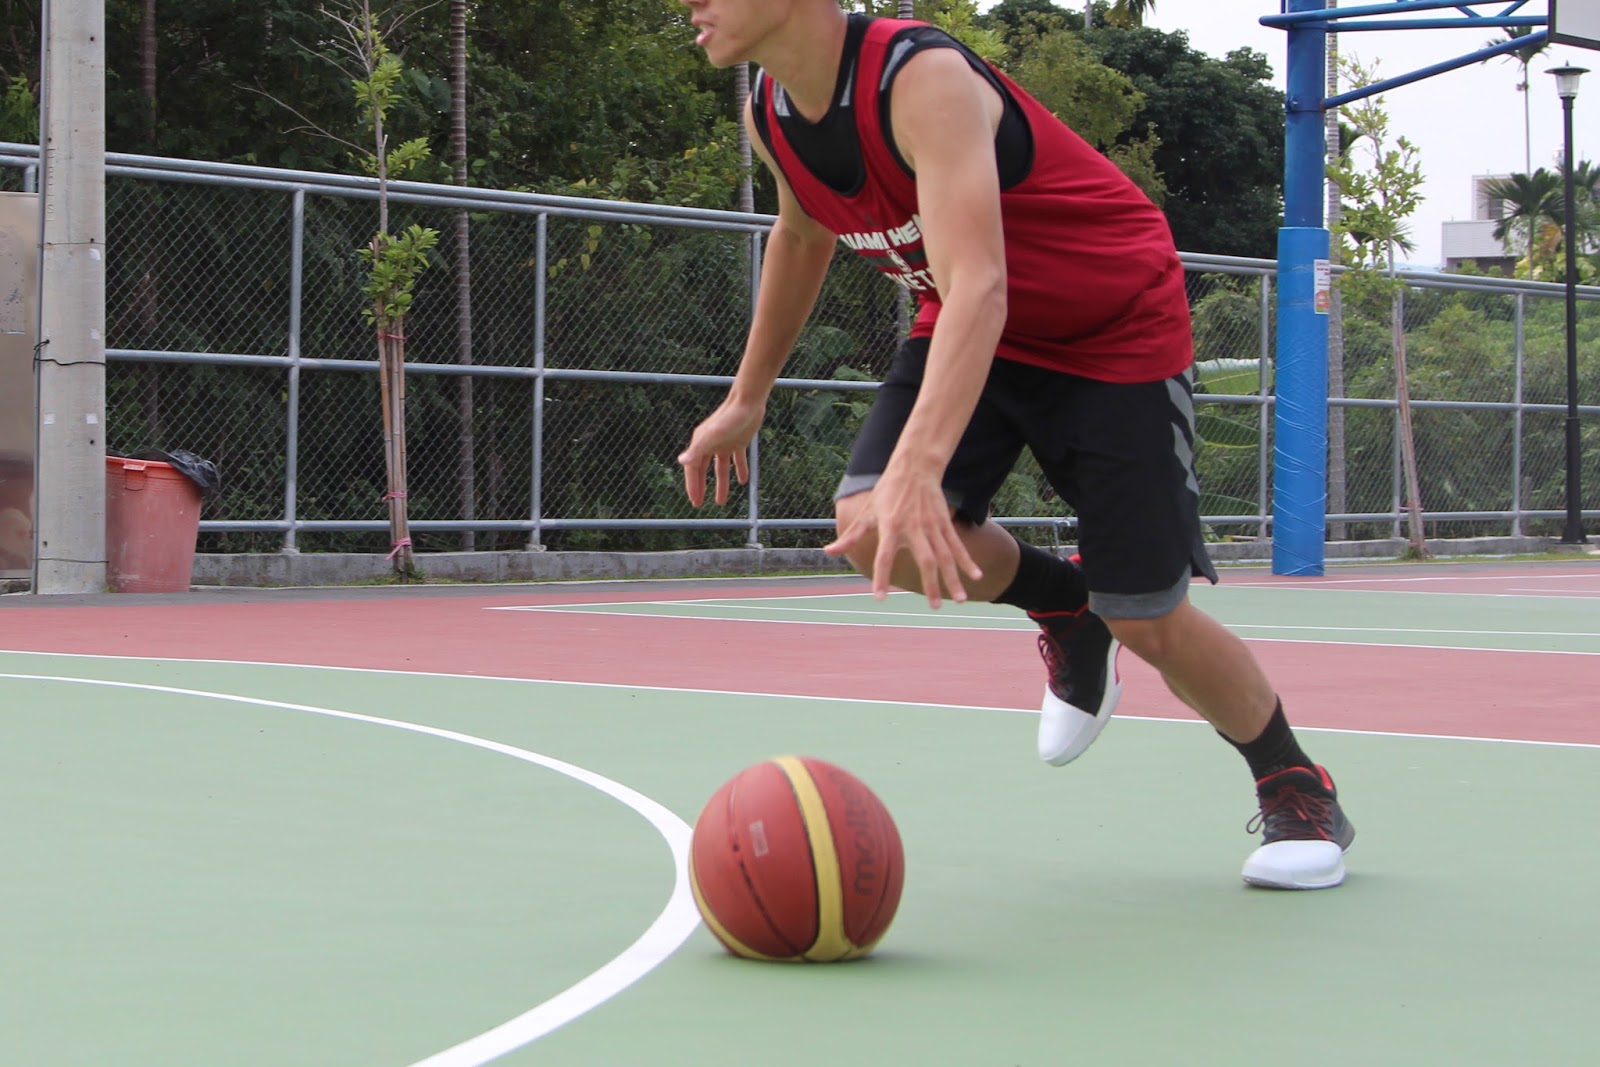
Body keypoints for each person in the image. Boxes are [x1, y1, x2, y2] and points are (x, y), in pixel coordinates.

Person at [673, 0, 1354, 889]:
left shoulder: (919, 79)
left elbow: (982, 284)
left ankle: (1297, 785)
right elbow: (802, 236)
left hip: (1111, 327)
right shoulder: (772, 111)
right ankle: (1067, 604)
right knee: (872, 529)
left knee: (1147, 615)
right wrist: (746, 396)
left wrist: (922, 465)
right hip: (968, 322)